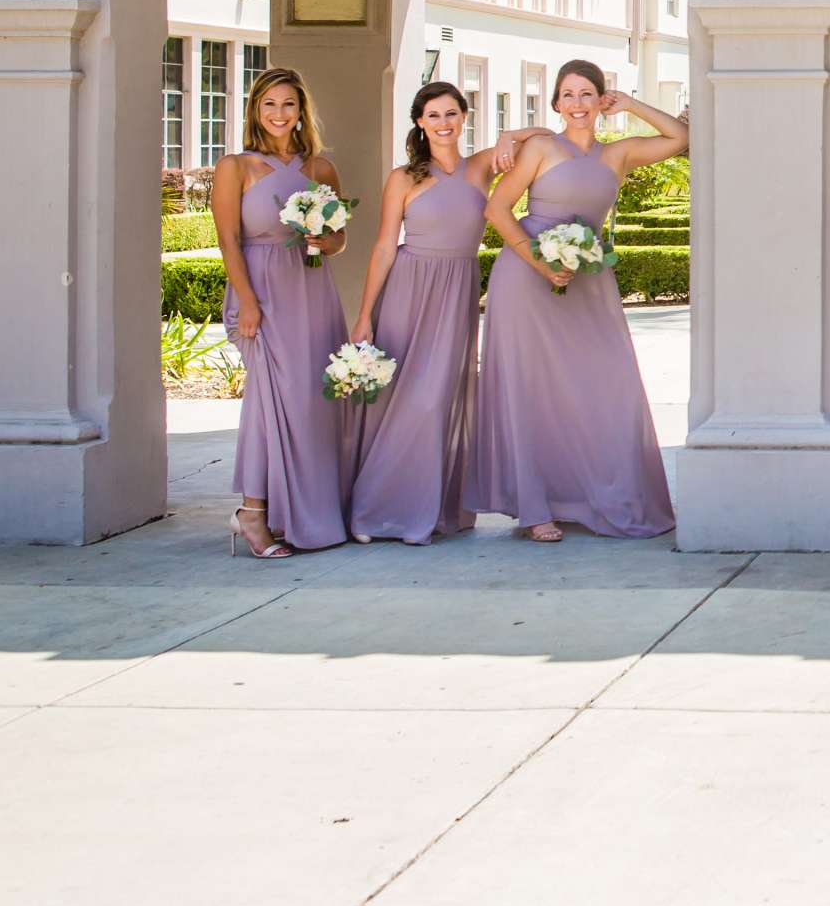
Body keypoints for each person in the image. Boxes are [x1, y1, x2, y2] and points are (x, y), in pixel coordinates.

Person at [467, 60, 684, 541]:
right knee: (532, 389)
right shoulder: (542, 146)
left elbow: (679, 137)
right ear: (556, 103)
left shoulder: (618, 155)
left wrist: (629, 104)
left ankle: (591, 495)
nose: (578, 103)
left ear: (600, 100)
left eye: (588, 94)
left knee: (603, 385)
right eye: (568, 94)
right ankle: (536, 507)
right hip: (526, 277)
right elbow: (497, 209)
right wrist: (542, 264)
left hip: (588, 282)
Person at [346, 82, 544, 544]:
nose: (443, 123)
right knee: (406, 400)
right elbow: (382, 247)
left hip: (457, 289)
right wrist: (364, 314)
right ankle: (377, 511)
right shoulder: (403, 177)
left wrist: (509, 134)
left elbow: (542, 136)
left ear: (464, 117)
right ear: (419, 122)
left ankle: (431, 510)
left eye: (452, 113)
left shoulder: (482, 167)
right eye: (433, 115)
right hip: (409, 291)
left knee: (439, 400)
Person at [217, 68, 350, 556]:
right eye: (270, 104)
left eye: (288, 104)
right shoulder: (236, 167)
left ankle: (304, 514)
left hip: (312, 291)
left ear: (301, 110)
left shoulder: (321, 170)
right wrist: (247, 300)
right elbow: (228, 239)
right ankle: (253, 514)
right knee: (268, 403)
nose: (279, 114)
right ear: (256, 108)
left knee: (312, 404)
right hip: (263, 294)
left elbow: (339, 240)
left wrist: (325, 240)